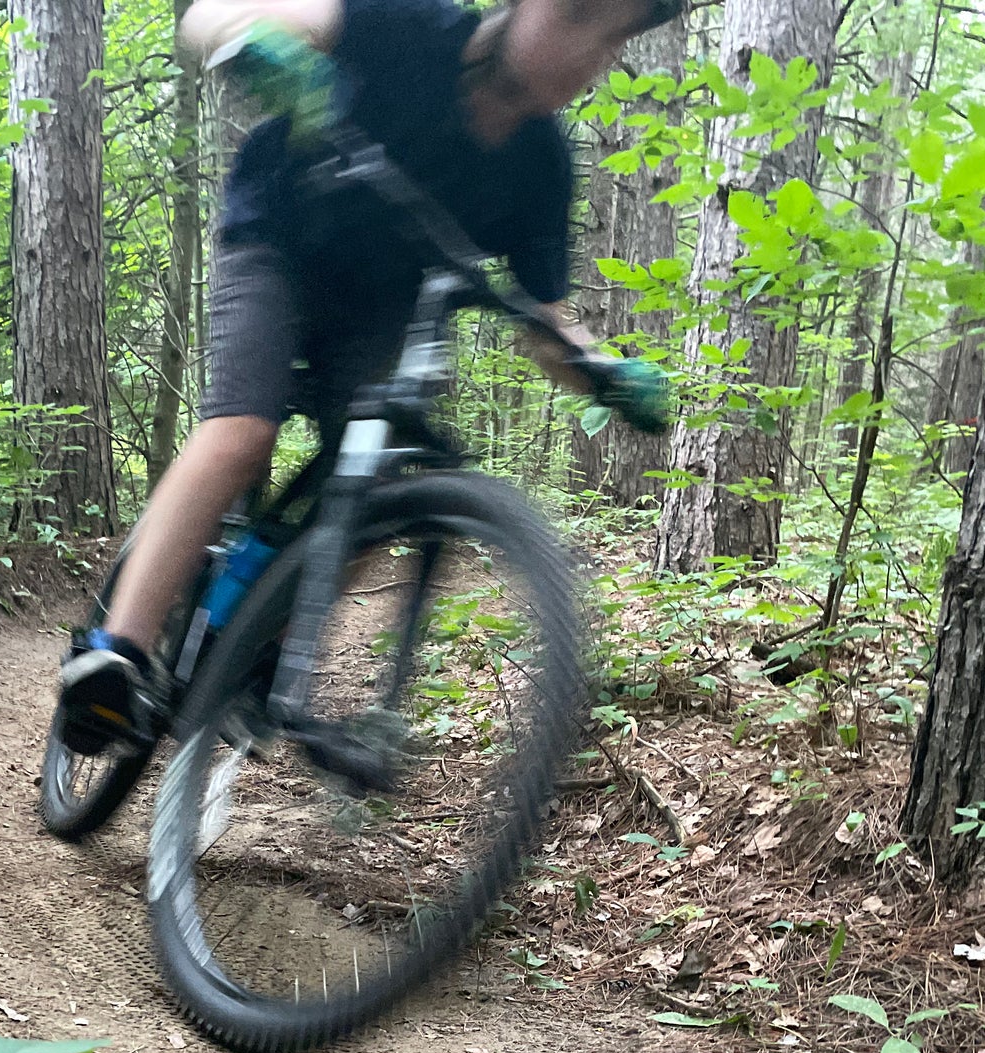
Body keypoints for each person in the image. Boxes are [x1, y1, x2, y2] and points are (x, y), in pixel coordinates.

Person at [60, 0, 684, 750]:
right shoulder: (404, 26)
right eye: (581, 14)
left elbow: (543, 319)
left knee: (376, 483)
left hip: (378, 305)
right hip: (274, 244)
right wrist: (258, 43)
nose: (594, 50)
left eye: (614, 36)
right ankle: (114, 652)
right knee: (241, 433)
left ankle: (256, 649)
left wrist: (604, 371)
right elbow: (206, 18)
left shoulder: (541, 165)